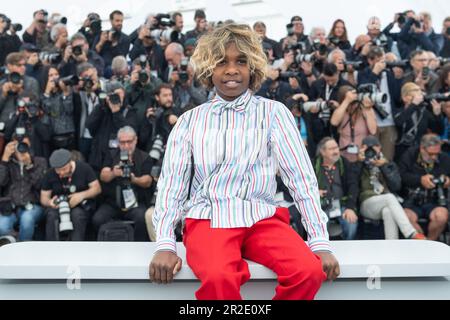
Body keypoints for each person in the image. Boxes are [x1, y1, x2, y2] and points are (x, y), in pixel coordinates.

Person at [150, 23, 339, 300]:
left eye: (241, 61)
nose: (231, 70)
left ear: (253, 67)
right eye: (221, 62)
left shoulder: (274, 113)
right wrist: (165, 242)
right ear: (208, 68)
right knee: (218, 278)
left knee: (308, 271)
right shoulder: (189, 121)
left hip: (262, 217)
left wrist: (319, 240)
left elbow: (300, 179)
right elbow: (172, 185)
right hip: (208, 218)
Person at [355, 135, 426, 240]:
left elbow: (396, 186)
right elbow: (352, 183)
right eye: (366, 146)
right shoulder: (357, 164)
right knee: (389, 197)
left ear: (379, 147)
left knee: (388, 211)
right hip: (366, 203)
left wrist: (384, 166)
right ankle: (410, 233)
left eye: (374, 146)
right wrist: (359, 162)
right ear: (361, 148)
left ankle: (392, 244)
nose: (370, 150)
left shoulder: (388, 164)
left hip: (386, 202)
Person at [40, 149, 101, 241]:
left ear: (70, 162)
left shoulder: (84, 168)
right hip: (58, 206)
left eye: (64, 169)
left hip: (79, 205)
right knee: (51, 216)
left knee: (77, 215)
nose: (62, 173)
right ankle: (52, 247)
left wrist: (81, 196)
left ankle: (76, 246)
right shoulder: (50, 174)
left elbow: (97, 189)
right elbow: (44, 197)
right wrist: (50, 202)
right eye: (58, 171)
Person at [399, 134, 450, 241]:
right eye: (431, 154)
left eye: (437, 154)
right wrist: (419, 180)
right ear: (422, 148)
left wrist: (447, 180)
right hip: (412, 200)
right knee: (405, 218)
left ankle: (430, 243)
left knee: (442, 216)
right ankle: (423, 243)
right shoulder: (410, 155)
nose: (434, 157)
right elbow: (401, 176)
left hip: (434, 201)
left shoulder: (444, 158)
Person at [0, 135, 47, 241]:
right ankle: (13, 245)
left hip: (33, 205)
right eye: (18, 145)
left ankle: (23, 250)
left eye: (25, 145)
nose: (22, 148)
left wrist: (30, 166)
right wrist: (4, 159)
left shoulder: (40, 162)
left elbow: (40, 186)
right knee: (2, 226)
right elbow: (1, 182)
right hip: (9, 207)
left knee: (27, 220)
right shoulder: (8, 162)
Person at [313, 137, 359, 240]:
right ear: (322, 152)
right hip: (321, 206)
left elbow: (353, 186)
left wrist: (350, 208)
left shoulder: (344, 163)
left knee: (351, 224)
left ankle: (349, 249)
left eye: (336, 148)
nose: (336, 151)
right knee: (320, 225)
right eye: (331, 149)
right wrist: (314, 192)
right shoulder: (313, 165)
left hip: (342, 205)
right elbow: (305, 186)